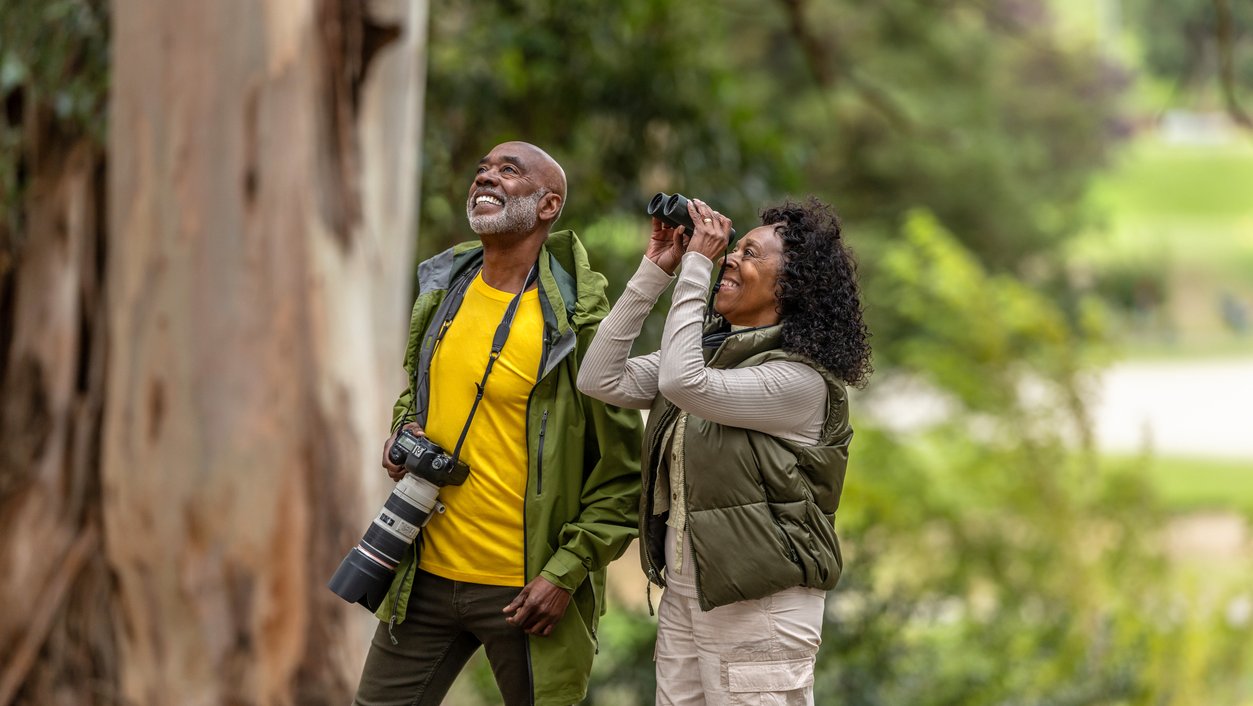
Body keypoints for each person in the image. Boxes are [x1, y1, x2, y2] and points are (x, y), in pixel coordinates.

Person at [352, 141, 643, 706]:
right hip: (424, 570)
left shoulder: (578, 325)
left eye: (509, 171)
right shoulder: (445, 291)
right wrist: (402, 433)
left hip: (526, 589)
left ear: (547, 205)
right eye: (482, 169)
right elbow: (420, 390)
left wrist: (566, 572)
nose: (486, 177)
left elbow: (622, 476)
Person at [577, 196, 872, 705]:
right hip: (691, 588)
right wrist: (657, 269)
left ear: (792, 286)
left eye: (750, 253)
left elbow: (683, 384)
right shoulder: (714, 356)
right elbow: (599, 376)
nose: (728, 258)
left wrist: (695, 266)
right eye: (729, 250)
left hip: (762, 604)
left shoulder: (799, 381)